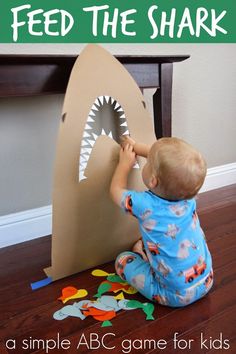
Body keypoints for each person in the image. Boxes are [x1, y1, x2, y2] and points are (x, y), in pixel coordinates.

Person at [110, 136, 213, 307]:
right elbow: (164, 160)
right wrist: (136, 146)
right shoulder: (188, 197)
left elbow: (115, 190)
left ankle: (142, 256)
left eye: (149, 163)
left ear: (153, 181)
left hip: (172, 295)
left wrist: (124, 164)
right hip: (206, 281)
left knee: (122, 260)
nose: (147, 161)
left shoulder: (144, 205)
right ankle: (149, 256)